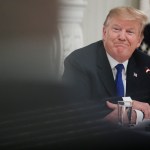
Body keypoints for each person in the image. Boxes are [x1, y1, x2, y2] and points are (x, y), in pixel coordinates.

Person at [62, 6, 150, 125]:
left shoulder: (146, 64)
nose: (122, 37)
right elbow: (75, 108)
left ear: (139, 40)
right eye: (116, 29)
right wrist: (129, 105)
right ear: (104, 32)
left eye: (129, 32)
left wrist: (134, 113)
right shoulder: (79, 62)